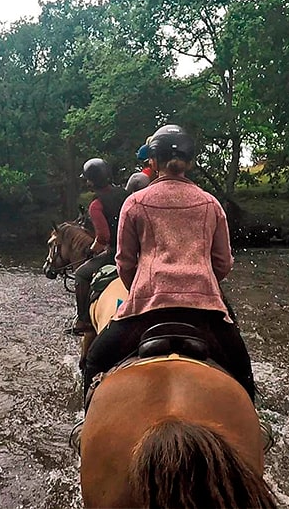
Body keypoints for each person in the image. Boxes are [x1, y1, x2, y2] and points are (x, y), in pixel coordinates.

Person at [82, 124, 256, 403]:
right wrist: (200, 282)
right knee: (243, 371)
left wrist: (139, 289)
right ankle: (258, 426)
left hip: (147, 311)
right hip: (205, 313)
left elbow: (124, 263)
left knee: (94, 361)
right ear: (190, 162)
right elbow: (223, 263)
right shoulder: (211, 204)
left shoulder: (135, 202)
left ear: (152, 161)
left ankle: (83, 428)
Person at [67, 158, 130, 336]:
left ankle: (83, 320)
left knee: (80, 274)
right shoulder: (125, 194)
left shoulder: (96, 205)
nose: (86, 183)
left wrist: (91, 250)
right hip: (138, 252)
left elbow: (103, 237)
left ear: (91, 181)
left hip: (115, 254)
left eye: (87, 179)